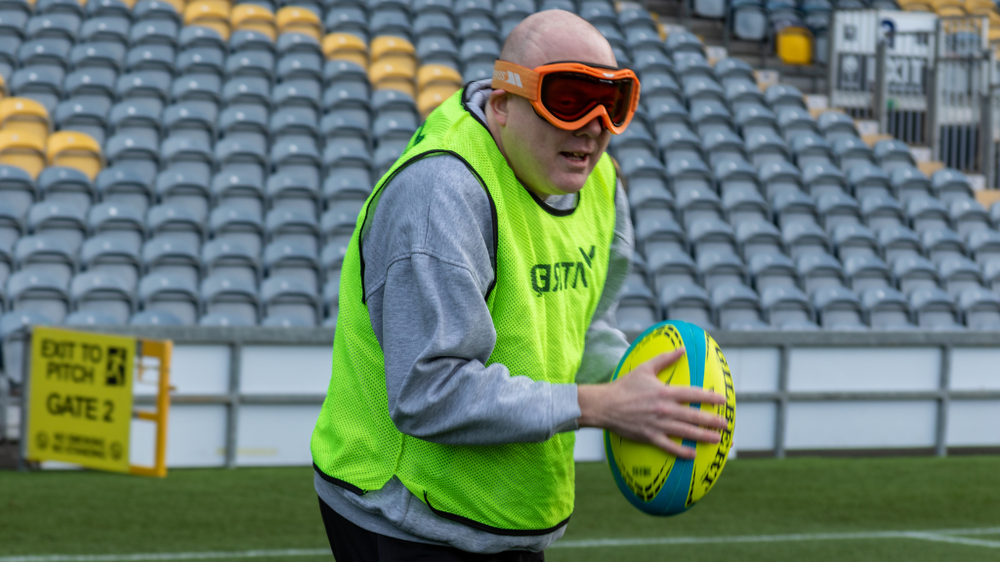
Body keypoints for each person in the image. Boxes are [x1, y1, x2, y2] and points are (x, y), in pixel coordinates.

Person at [310, 9, 728, 561]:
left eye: (615, 103)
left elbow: (584, 327)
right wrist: (598, 405)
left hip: (508, 514)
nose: (595, 126)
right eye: (570, 100)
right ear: (503, 104)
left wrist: (645, 392)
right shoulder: (441, 195)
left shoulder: (601, 184)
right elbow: (426, 394)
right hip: (404, 515)